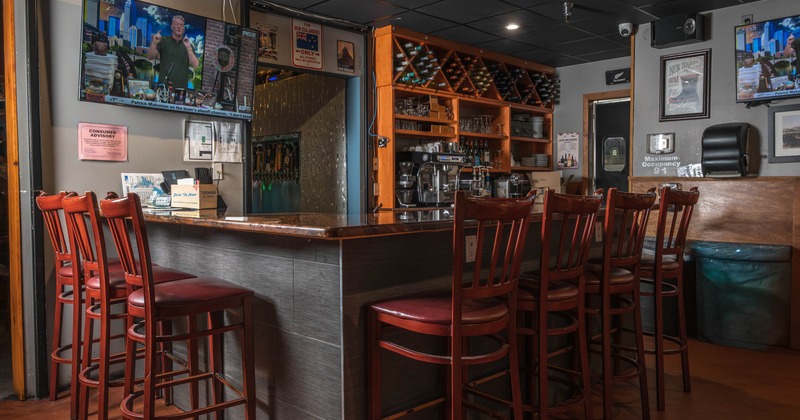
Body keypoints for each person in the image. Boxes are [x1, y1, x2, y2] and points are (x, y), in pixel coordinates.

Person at [147, 15, 199, 90]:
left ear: (184, 29)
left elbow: (196, 65)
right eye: (176, 24)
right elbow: (150, 57)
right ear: (172, 27)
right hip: (163, 87)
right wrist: (154, 43)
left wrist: (188, 48)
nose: (179, 27)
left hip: (181, 91)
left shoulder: (188, 45)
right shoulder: (163, 40)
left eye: (181, 25)